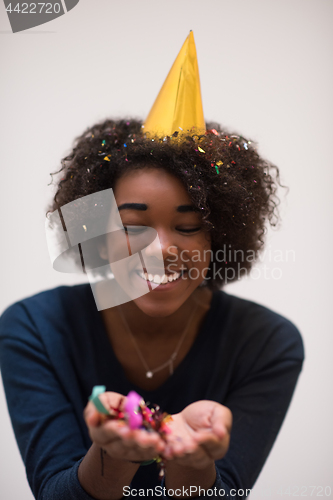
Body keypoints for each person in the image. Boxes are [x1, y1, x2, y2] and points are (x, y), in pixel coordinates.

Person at [0, 33, 304, 500]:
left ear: (220, 235)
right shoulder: (33, 330)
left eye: (188, 227)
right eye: (133, 225)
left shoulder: (265, 342)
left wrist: (191, 462)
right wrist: (114, 455)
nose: (161, 250)